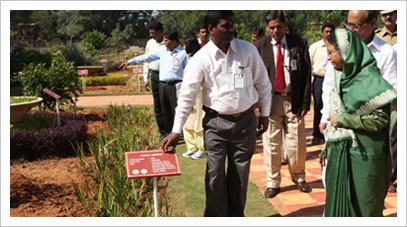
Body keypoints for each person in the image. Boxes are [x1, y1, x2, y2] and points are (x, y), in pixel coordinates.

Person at [162, 10, 272, 217]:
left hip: (246, 123)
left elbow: (263, 84)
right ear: (211, 30)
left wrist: (264, 114)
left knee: (239, 177)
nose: (232, 29)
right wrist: (177, 131)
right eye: (225, 25)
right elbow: (186, 97)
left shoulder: (247, 50)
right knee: (215, 176)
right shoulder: (200, 59)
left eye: (232, 24)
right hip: (216, 125)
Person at [321, 28, 396, 217]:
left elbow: (380, 119)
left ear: (346, 52)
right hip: (341, 152)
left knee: (365, 209)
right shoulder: (340, 77)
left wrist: (345, 120)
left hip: (366, 156)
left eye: (331, 52)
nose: (328, 58)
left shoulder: (369, 79)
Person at [254, 10, 312, 199]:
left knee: (297, 142)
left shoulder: (299, 42)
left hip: (292, 99)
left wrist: (305, 102)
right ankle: (273, 181)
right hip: (269, 101)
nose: (276, 31)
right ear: (267, 28)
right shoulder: (259, 46)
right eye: (272, 28)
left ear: (285, 25)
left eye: (279, 26)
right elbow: (254, 78)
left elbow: (306, 75)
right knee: (271, 142)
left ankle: (299, 177)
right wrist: (257, 103)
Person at [120, 31, 189, 138]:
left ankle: (180, 133)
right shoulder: (162, 51)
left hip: (176, 86)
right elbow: (146, 57)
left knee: (177, 110)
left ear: (174, 41)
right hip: (163, 85)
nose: (164, 43)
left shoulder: (183, 54)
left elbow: (188, 71)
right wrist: (130, 62)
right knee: (165, 111)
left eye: (166, 41)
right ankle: (166, 134)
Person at [308, 22, 335, 145]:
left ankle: (331, 132)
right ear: (322, 33)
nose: (328, 34)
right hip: (319, 79)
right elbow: (309, 64)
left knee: (332, 105)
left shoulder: (337, 47)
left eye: (331, 31)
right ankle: (317, 134)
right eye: (326, 31)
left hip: (334, 79)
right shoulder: (315, 47)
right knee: (318, 105)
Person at [181, 37, 206, 160]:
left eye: (185, 45)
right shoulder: (190, 59)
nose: (184, 48)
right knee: (188, 119)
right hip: (189, 92)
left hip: (199, 93)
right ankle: (192, 147)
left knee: (198, 119)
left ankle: (202, 148)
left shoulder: (200, 58)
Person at [142, 21, 166, 140]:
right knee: (158, 106)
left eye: (153, 33)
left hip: (167, 77)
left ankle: (172, 130)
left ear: (161, 31)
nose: (151, 35)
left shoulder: (168, 42)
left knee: (169, 104)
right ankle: (162, 132)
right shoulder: (150, 43)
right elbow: (146, 60)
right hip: (155, 76)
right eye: (150, 33)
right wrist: (145, 78)